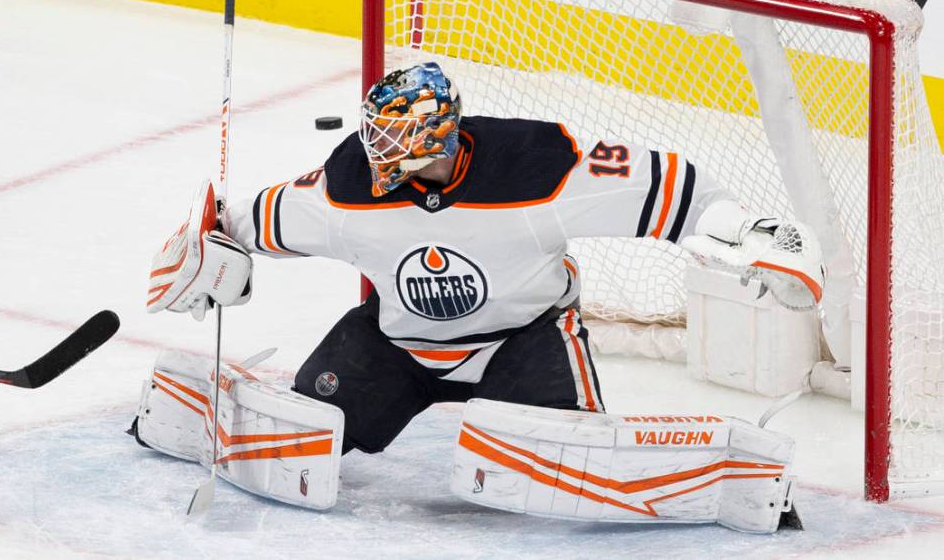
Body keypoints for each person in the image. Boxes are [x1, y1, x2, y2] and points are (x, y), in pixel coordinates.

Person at [145, 61, 824, 458]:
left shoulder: (537, 169)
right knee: (304, 436)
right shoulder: (349, 184)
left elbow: (668, 186)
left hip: (522, 342)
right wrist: (211, 249)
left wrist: (749, 234)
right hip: (395, 345)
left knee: (568, 455)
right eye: (375, 137)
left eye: (394, 140)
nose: (376, 153)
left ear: (437, 135)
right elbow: (253, 219)